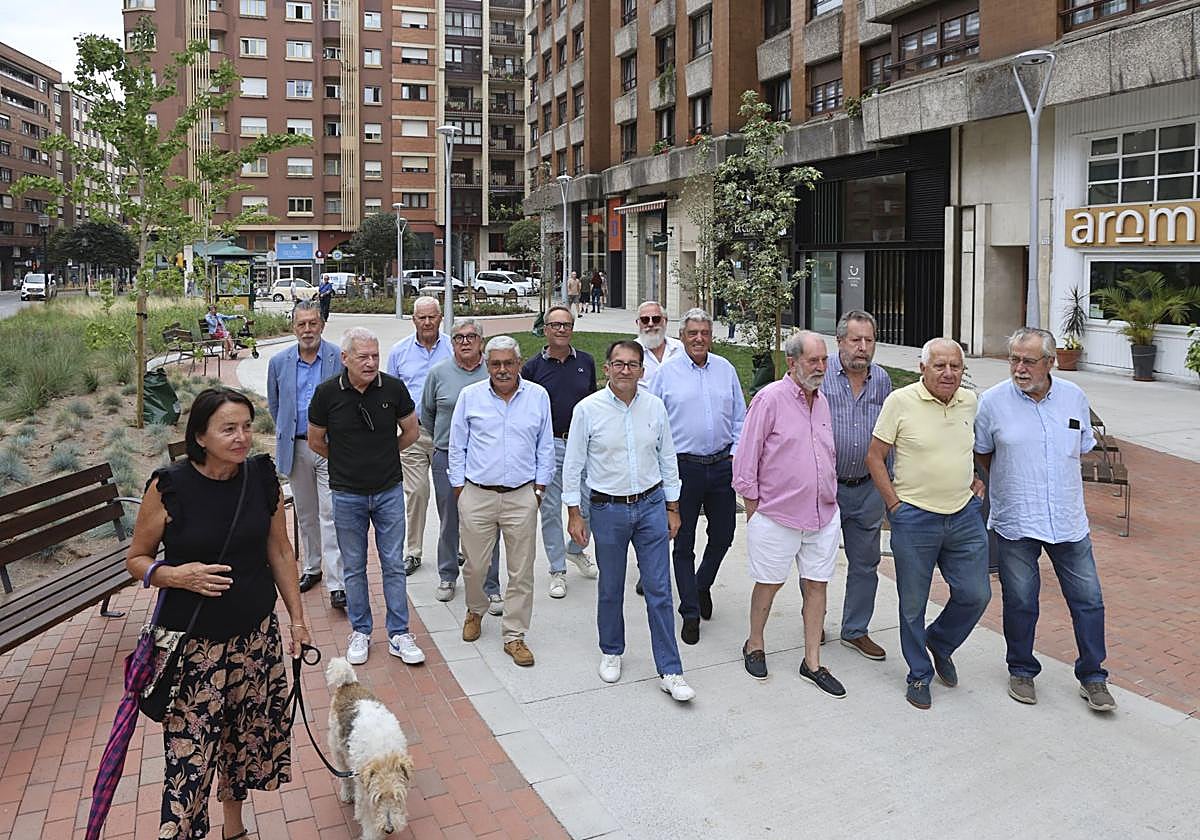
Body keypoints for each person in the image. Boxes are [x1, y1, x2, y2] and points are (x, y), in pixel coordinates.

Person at [125, 388, 309, 840]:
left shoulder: (261, 476)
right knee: (189, 755)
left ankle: (234, 829)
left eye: (247, 426)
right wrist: (175, 575)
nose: (242, 437)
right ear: (200, 437)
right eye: (229, 429)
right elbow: (137, 559)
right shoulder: (168, 486)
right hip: (193, 648)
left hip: (254, 639)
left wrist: (298, 621)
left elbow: (281, 551)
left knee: (240, 742)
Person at [975, 327, 1116, 712]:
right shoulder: (992, 403)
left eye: (1028, 361)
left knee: (1088, 600)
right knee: (1021, 601)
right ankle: (1021, 669)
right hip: (1017, 519)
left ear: (1050, 362)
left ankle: (1093, 676)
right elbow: (983, 454)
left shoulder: (1074, 397)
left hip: (1069, 520)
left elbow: (1082, 447)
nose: (1019, 368)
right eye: (1014, 360)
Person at [563, 340, 696, 703]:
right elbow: (573, 464)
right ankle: (612, 649)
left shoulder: (654, 407)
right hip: (608, 510)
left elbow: (668, 458)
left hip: (652, 505)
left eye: (632, 364)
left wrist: (673, 507)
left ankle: (670, 669)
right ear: (606, 368)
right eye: (618, 364)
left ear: (642, 370)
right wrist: (575, 513)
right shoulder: (587, 410)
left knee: (659, 590)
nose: (625, 370)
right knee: (610, 587)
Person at [866, 338, 989, 711]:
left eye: (955, 366)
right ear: (923, 368)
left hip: (964, 515)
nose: (949, 373)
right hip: (915, 517)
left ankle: (940, 642)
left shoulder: (970, 402)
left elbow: (974, 447)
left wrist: (977, 476)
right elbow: (875, 456)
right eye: (940, 366)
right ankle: (918, 673)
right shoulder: (900, 402)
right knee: (912, 605)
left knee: (976, 594)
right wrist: (894, 505)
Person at [733, 332, 845, 698]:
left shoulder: (824, 402)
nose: (821, 367)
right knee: (769, 582)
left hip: (823, 515)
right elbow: (746, 460)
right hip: (776, 515)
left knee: (817, 586)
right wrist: (755, 513)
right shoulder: (769, 399)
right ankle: (755, 643)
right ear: (793, 362)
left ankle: (812, 661)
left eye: (824, 360)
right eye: (813, 360)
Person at [307, 327, 426, 667]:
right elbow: (316, 441)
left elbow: (411, 431)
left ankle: (399, 633)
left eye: (375, 355)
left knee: (393, 564)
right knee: (354, 567)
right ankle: (361, 630)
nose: (371, 362)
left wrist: (385, 454)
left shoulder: (393, 388)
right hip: (347, 495)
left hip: (388, 491)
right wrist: (346, 462)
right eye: (363, 357)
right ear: (345, 358)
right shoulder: (327, 394)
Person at [449, 336, 555, 667]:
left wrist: (539, 489)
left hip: (522, 495)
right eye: (495, 364)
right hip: (477, 494)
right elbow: (457, 445)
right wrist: (460, 490)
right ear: (486, 365)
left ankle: (514, 635)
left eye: (508, 363)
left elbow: (545, 445)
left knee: (521, 571)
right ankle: (475, 609)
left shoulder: (537, 397)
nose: (502, 370)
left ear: (519, 364)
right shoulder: (470, 397)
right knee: (475, 566)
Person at [651, 308, 745, 645]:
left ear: (711, 335)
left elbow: (739, 417)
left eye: (705, 332)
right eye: (692, 333)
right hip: (682, 468)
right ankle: (689, 611)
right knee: (683, 541)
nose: (699, 339)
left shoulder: (725, 369)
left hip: (721, 466)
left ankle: (701, 583)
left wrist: (734, 454)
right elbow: (655, 422)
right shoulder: (667, 374)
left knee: (724, 534)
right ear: (683, 335)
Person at [820, 310, 892, 661]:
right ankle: (813, 621)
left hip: (867, 489)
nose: (863, 348)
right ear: (839, 341)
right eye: (855, 340)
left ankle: (855, 629)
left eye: (869, 340)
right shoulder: (821, 376)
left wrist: (889, 487)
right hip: (825, 487)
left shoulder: (882, 381)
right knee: (817, 561)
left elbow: (891, 434)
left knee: (865, 563)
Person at [266, 301, 345, 609]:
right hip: (297, 447)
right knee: (306, 513)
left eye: (313, 323)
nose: (308, 330)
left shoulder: (337, 357)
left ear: (322, 325)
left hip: (328, 446)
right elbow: (276, 406)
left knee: (331, 514)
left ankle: (337, 583)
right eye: (302, 324)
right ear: (293, 327)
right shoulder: (279, 362)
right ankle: (312, 568)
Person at [421, 317, 502, 610]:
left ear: (481, 341)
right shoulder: (439, 373)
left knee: (490, 523)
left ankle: (490, 585)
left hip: (486, 458)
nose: (465, 342)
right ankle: (447, 575)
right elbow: (427, 414)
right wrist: (446, 441)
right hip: (446, 456)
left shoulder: (493, 371)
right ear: (451, 342)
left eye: (471, 337)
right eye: (458, 337)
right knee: (449, 519)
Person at [520, 305, 598, 599]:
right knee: (551, 510)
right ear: (546, 329)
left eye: (567, 325)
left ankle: (575, 550)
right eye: (556, 325)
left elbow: (592, 404)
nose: (562, 329)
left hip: (582, 445)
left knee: (589, 503)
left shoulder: (586, 362)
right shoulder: (532, 368)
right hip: (548, 446)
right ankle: (557, 570)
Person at [386, 296, 452, 576]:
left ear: (440, 317)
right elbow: (387, 396)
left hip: (447, 434)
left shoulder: (453, 348)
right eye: (421, 317)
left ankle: (454, 546)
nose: (427, 322)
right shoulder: (399, 352)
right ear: (413, 319)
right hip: (412, 432)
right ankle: (413, 551)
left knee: (450, 495)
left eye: (432, 317)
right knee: (417, 493)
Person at [634, 301, 684, 388]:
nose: (650, 324)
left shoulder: (681, 348)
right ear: (638, 323)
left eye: (656, 319)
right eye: (645, 320)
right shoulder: (630, 351)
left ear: (665, 321)